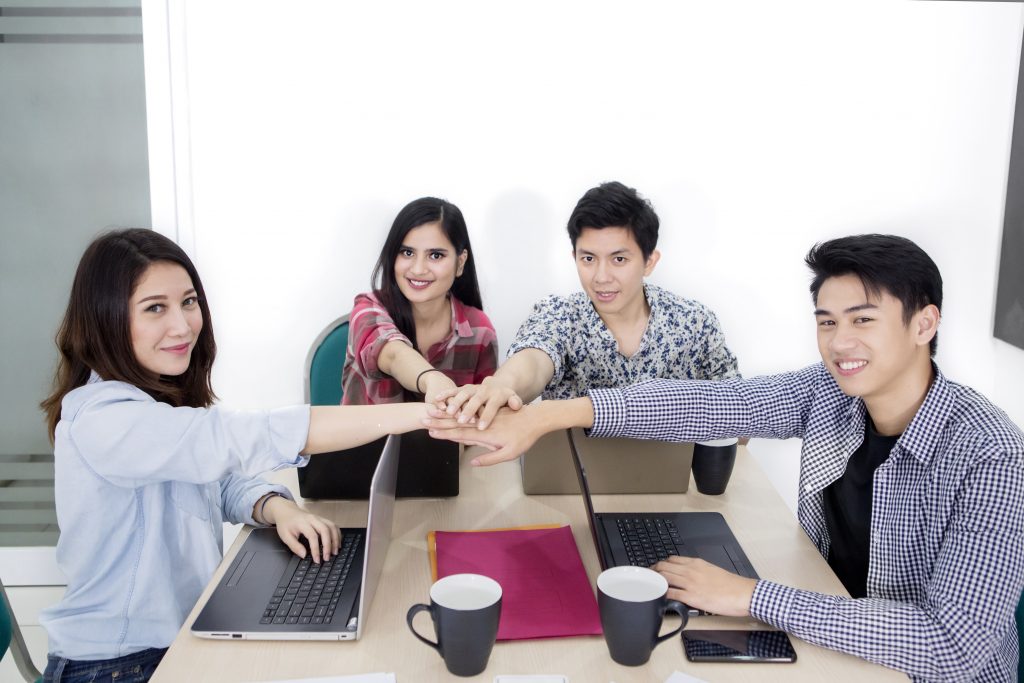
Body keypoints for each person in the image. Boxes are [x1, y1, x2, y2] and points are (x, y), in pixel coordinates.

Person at [427, 234, 1024, 680]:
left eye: (863, 321)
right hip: (838, 637)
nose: (841, 343)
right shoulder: (830, 393)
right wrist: (548, 415)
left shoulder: (989, 453)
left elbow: (954, 643)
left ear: (925, 324)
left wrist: (750, 597)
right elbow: (707, 405)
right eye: (827, 322)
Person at [38, 229, 430, 683]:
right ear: (104, 318)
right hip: (117, 666)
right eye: (155, 308)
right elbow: (237, 438)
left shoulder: (154, 400)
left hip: (176, 639)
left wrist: (276, 507)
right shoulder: (104, 420)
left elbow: (216, 478)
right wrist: (416, 414)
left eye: (189, 302)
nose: (183, 325)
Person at [438, 181, 738, 429]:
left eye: (619, 259)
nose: (601, 277)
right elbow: (534, 358)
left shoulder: (694, 322)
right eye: (588, 259)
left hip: (677, 493)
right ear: (575, 257)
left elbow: (740, 417)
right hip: (571, 488)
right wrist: (503, 384)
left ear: (649, 261)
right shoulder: (558, 315)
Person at [341, 196, 498, 405]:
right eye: (407, 253)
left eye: (435, 256)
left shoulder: (479, 330)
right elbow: (393, 355)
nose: (418, 269)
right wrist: (431, 379)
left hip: (446, 439)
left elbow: (483, 413)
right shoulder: (368, 308)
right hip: (363, 437)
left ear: (460, 263)